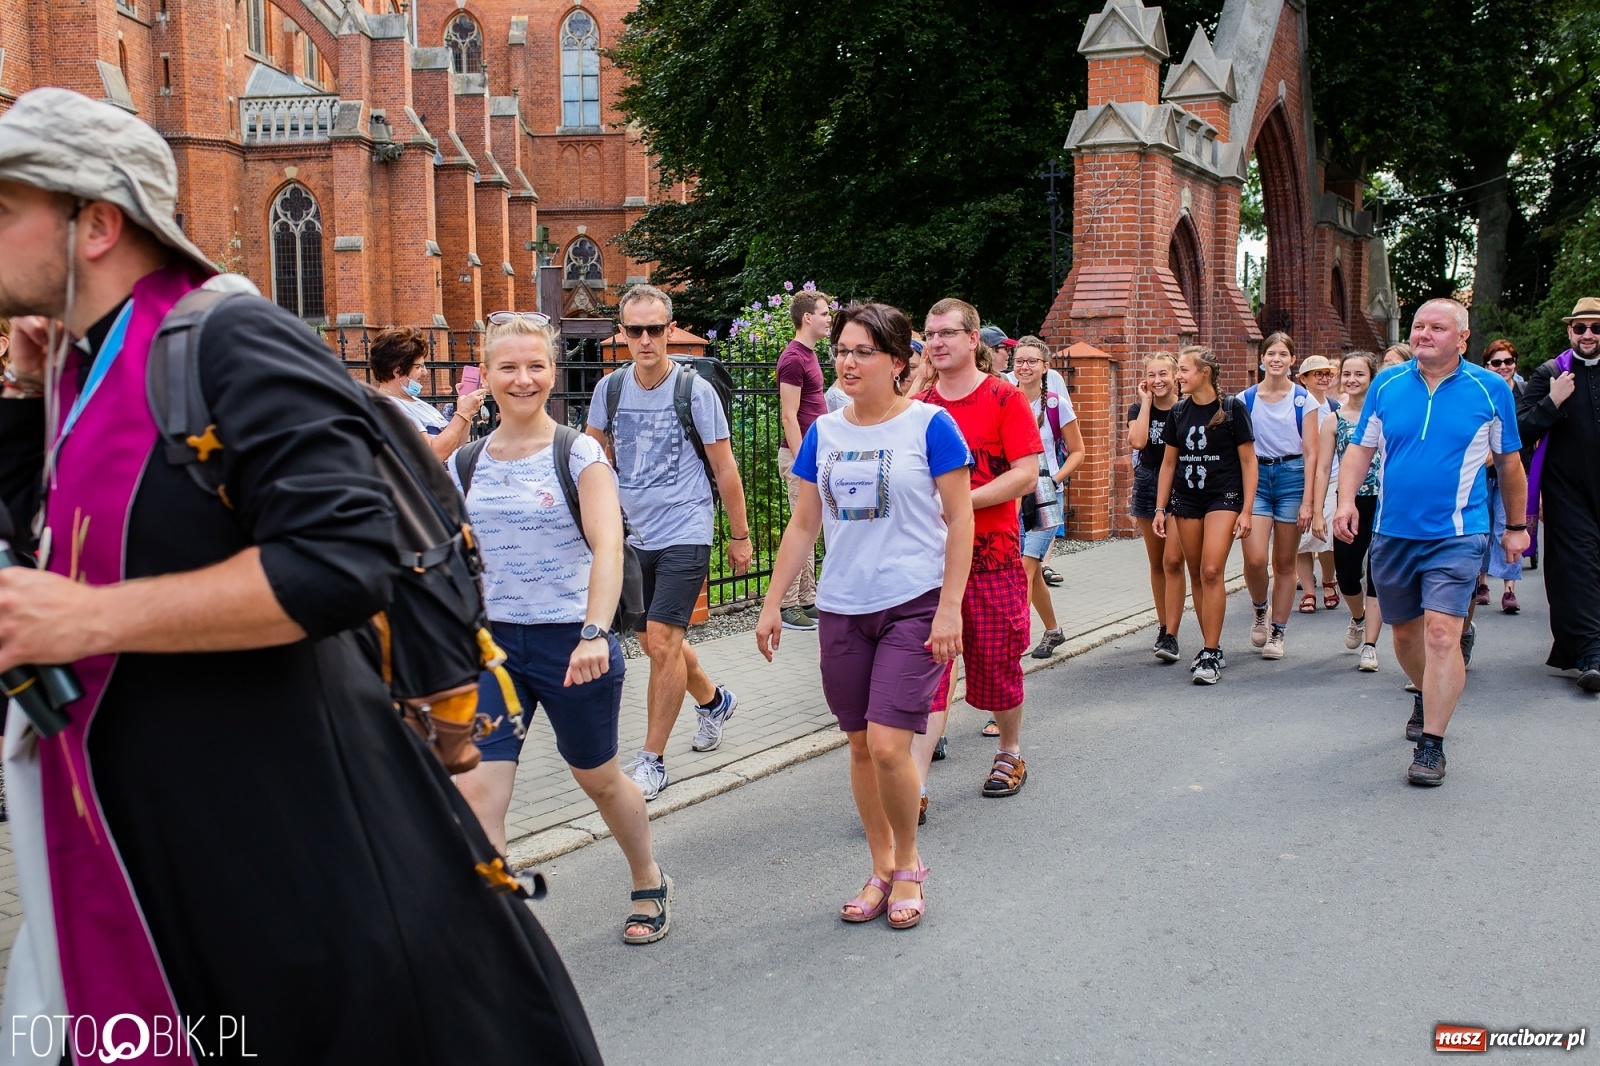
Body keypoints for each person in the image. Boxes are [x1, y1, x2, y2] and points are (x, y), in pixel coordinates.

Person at [0, 88, 600, 1062]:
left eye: (5, 209)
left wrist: (92, 617)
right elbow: (36, 551)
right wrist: (24, 396)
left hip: (297, 865)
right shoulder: (80, 368)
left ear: (96, 223)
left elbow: (339, 562)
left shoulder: (226, 339)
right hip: (146, 851)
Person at [449, 315, 671, 945]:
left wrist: (596, 632)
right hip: (493, 651)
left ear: (552, 371)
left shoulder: (577, 452)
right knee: (478, 790)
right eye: (508, 367)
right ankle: (494, 930)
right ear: (486, 375)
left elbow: (608, 544)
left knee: (596, 777)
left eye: (535, 366)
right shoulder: (466, 463)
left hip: (574, 644)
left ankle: (647, 874)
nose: (523, 379)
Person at [756, 302, 972, 930]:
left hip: (914, 602)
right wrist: (772, 602)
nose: (845, 362)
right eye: (841, 351)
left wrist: (950, 608)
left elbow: (960, 520)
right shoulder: (825, 432)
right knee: (857, 744)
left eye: (861, 352)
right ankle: (879, 868)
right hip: (842, 608)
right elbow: (803, 523)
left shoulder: (930, 427)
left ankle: (908, 863)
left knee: (887, 744)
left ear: (898, 362)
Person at [1336, 298, 1526, 786]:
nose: (1423, 334)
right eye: (1418, 325)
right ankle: (1427, 691)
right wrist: (1345, 501)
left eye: (1436, 327)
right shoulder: (1388, 384)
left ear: (1461, 338)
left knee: (1441, 633)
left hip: (1458, 533)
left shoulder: (1490, 389)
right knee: (1405, 634)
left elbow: (1508, 463)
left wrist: (1516, 526)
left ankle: (1432, 744)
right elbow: (1361, 447)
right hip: (1393, 532)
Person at [585, 283, 750, 798]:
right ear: (622, 333)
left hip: (687, 526)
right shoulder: (609, 390)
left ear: (670, 330)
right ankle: (714, 701)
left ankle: (651, 759)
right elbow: (591, 461)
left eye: (656, 329)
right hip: (632, 535)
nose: (646, 339)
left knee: (661, 642)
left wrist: (740, 536)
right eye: (635, 330)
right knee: (659, 645)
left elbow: (724, 466)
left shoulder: (693, 391)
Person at [910, 298, 1042, 808]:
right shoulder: (919, 408)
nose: (937, 342)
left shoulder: (1003, 398)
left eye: (947, 332)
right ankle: (915, 784)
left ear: (972, 340)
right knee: (930, 672)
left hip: (993, 557)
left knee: (996, 663)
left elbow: (1026, 473)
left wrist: (962, 501)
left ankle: (1009, 750)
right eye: (930, 333)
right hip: (932, 562)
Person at [1155, 346, 1256, 684]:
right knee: (1197, 573)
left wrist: (1246, 510)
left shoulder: (1231, 409)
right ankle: (1209, 644)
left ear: (1205, 373)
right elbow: (1169, 463)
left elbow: (1248, 462)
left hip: (1223, 496)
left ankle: (1210, 653)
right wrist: (1160, 508)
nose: (1178, 376)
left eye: (1183, 370)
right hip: (1186, 500)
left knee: (1212, 570)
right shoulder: (1179, 412)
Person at [1518, 297, 1600, 691]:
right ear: (1569, 331)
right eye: (1580, 328)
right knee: (1577, 569)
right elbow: (1520, 430)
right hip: (1567, 491)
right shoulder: (1552, 372)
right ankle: (1590, 653)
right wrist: (1553, 401)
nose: (1588, 334)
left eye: (1596, 328)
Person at [1239, 333, 1315, 661]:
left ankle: (1278, 631)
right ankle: (1260, 609)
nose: (1276, 359)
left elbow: (1312, 454)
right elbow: (1238, 449)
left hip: (1292, 479)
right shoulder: (1245, 400)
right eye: (1271, 353)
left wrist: (1309, 502)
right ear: (1261, 359)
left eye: (1283, 354)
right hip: (1256, 478)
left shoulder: (1303, 400)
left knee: (1284, 562)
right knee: (1255, 558)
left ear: (1292, 360)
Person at [1012, 335, 1085, 658]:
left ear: (1045, 366)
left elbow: (1078, 451)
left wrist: (1055, 479)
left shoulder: (1055, 403)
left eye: (1031, 361)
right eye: (1019, 361)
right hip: (1012, 492)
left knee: (1026, 568)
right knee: (1028, 567)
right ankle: (1054, 631)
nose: (1024, 367)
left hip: (1045, 493)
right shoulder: (1005, 399)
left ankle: (1010, 643)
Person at [1313, 351, 1385, 670]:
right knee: (1346, 574)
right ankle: (1358, 617)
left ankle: (1370, 645)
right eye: (1347, 374)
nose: (1352, 380)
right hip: (1349, 503)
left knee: (1378, 574)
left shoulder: (1385, 415)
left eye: (1359, 374)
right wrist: (1317, 511)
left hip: (1385, 503)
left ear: (1372, 378)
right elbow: (1322, 467)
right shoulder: (1334, 419)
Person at [775, 289, 832, 631]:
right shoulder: (793, 358)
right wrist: (803, 462)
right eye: (824, 313)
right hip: (801, 456)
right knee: (801, 527)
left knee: (811, 528)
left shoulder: (809, 355)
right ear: (807, 317)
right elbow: (788, 416)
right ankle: (786, 604)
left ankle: (806, 599)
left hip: (814, 454)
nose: (829, 318)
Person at [1129, 352, 1186, 662]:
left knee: (1174, 561)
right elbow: (1137, 442)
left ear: (1175, 374)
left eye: (1163, 374)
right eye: (1152, 375)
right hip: (1149, 483)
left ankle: (1173, 634)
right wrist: (1147, 403)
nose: (1157, 380)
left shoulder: (1186, 408)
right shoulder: (1139, 408)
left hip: (1181, 486)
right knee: (1157, 562)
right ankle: (1163, 627)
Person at [369, 325, 489, 460]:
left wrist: (466, 410)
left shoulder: (416, 402)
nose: (425, 372)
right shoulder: (390, 407)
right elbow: (433, 456)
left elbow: (455, 446)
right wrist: (462, 414)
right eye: (419, 366)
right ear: (397, 371)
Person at [1478, 338, 1525, 614]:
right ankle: (1481, 583)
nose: (1503, 366)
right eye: (1497, 362)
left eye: (1508, 361)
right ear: (1487, 365)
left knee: (1508, 527)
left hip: (1509, 474)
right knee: (1482, 530)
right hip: (1481, 475)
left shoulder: (1524, 392)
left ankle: (1509, 589)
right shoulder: (1480, 392)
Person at [1294, 354, 1341, 612]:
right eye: (1317, 374)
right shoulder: (1297, 404)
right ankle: (1309, 591)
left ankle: (1328, 579)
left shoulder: (1335, 407)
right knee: (1300, 539)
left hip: (1331, 476)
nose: (1323, 378)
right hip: (1300, 476)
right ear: (1304, 379)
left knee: (1326, 535)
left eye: (1327, 374)